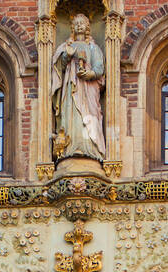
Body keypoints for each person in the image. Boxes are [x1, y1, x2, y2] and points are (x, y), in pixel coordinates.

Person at [51, 13, 105, 162]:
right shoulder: (67, 46)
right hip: (70, 86)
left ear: (87, 27)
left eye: (82, 23)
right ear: (72, 27)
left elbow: (99, 67)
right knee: (71, 114)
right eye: (77, 23)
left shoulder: (93, 47)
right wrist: (66, 56)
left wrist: (90, 73)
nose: (79, 25)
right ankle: (70, 148)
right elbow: (58, 68)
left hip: (88, 88)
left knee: (90, 114)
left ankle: (90, 148)